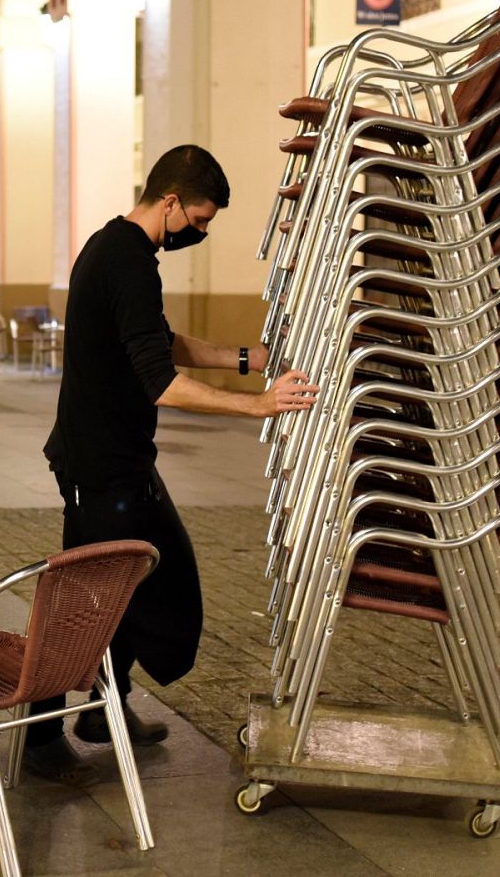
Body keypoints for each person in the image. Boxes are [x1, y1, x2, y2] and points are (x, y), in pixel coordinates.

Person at [23, 144, 319, 786]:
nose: (202, 233)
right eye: (200, 220)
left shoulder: (115, 247)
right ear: (171, 201)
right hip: (102, 465)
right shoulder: (128, 260)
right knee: (111, 590)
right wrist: (261, 405)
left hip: (107, 457)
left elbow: (156, 337)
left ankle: (104, 710)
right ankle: (43, 732)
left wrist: (246, 358)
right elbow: (160, 380)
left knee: (121, 582)